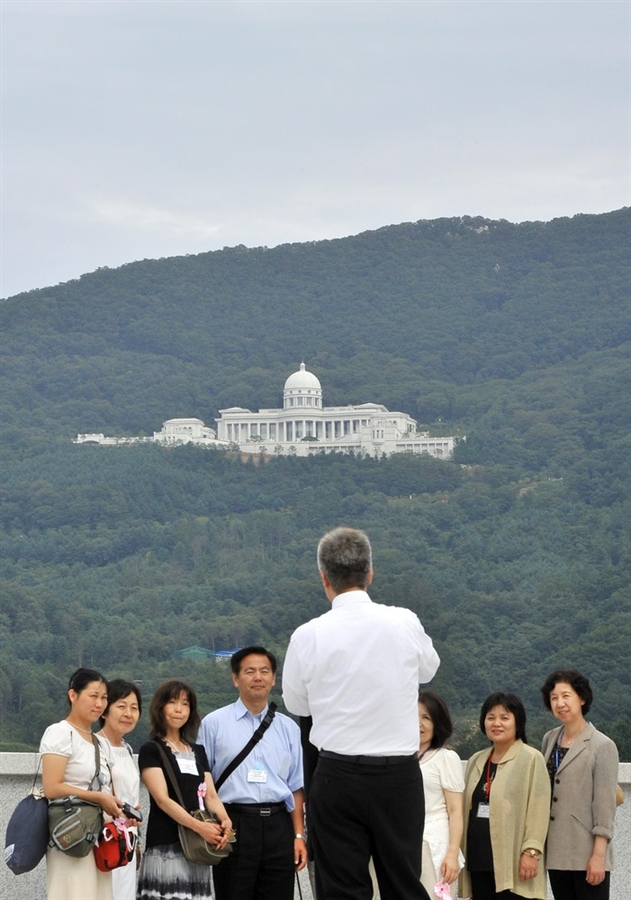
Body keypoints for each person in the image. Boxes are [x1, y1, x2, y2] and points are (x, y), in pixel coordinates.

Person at [282, 525, 440, 900]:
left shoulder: (308, 634)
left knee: (340, 889)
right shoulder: (403, 620)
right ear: (370, 574)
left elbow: (296, 705)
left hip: (336, 775)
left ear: (324, 579)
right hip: (398, 777)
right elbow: (428, 670)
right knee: (404, 882)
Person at [198, 646, 307, 900]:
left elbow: (296, 787)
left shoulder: (289, 728)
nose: (257, 677)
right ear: (236, 678)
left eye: (264, 671)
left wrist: (299, 836)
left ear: (273, 678)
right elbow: (204, 783)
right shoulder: (214, 724)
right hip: (234, 824)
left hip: (279, 825)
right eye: (249, 671)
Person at [137, 680, 232, 900]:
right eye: (172, 702)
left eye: (185, 703)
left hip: (196, 848)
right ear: (160, 708)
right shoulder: (152, 749)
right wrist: (199, 827)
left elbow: (210, 795)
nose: (179, 709)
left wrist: (225, 820)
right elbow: (162, 800)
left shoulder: (198, 750)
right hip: (166, 844)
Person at [40, 667, 123, 900]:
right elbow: (52, 787)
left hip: (99, 836)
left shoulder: (100, 743)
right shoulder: (60, 733)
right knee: (73, 891)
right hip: (71, 835)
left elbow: (105, 789)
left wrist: (119, 807)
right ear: (73, 695)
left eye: (104, 697)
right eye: (93, 696)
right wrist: (98, 798)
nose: (99, 703)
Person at [460, 692, 550, 900]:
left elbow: (539, 809)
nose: (496, 723)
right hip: (478, 860)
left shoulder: (531, 759)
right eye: (491, 717)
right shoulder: (476, 760)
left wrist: (531, 852)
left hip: (513, 863)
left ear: (518, 722)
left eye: (504, 717)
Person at [540, 669, 619, 900]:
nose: (560, 703)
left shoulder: (602, 745)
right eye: (554, 698)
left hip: (586, 853)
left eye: (566, 696)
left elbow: (604, 805)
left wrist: (598, 856)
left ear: (582, 698)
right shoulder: (549, 739)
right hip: (556, 850)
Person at [97, 679, 143, 900]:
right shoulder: (95, 746)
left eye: (134, 708)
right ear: (104, 711)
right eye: (122, 706)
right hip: (105, 839)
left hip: (127, 842)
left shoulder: (127, 748)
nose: (129, 713)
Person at [417, 691, 465, 894]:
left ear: (437, 723)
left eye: (426, 717)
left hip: (436, 844)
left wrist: (452, 854)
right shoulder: (398, 759)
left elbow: (455, 811)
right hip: (404, 843)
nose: (417, 723)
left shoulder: (446, 758)